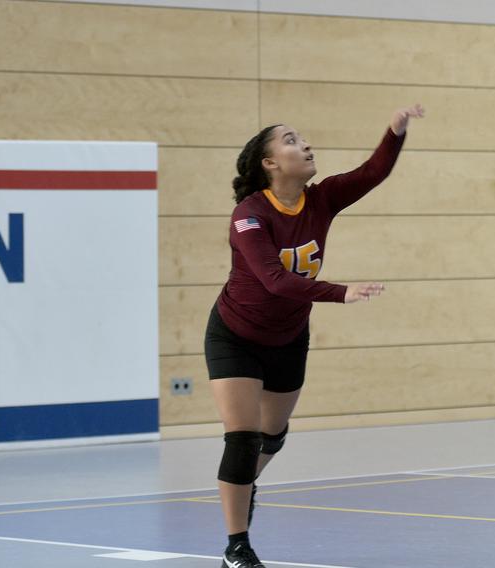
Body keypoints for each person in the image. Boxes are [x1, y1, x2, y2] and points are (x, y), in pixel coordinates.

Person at [204, 104, 425, 568]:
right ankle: (236, 546)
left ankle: (245, 485)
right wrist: (340, 292)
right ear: (269, 163)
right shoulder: (249, 215)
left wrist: (394, 132)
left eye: (301, 138)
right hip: (236, 336)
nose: (304, 145)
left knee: (272, 437)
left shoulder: (321, 199)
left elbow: (373, 172)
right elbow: (273, 280)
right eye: (290, 140)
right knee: (241, 439)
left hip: (288, 337)